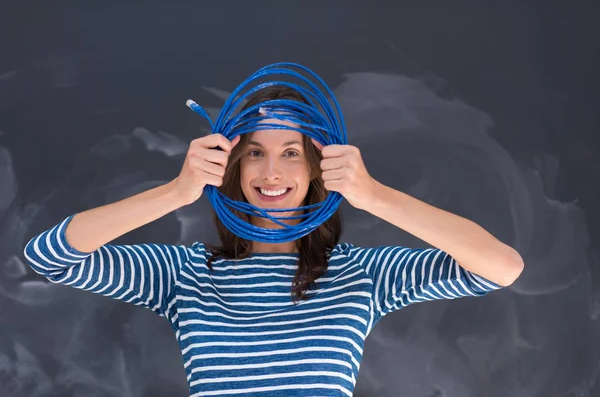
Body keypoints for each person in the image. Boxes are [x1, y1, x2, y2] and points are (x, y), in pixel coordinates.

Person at [23, 85, 524, 397]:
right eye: (256, 152)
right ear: (234, 166)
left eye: (291, 152)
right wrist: (176, 192)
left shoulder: (360, 275)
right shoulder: (185, 274)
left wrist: (374, 197)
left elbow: (501, 267)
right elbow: (48, 256)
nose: (271, 172)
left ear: (315, 168)